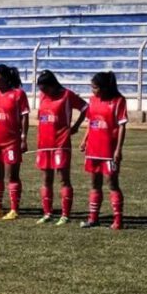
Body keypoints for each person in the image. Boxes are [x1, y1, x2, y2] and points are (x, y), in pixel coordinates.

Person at [34, 70, 87, 225]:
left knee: (63, 179)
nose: (42, 92)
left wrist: (75, 126)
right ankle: (47, 213)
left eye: (45, 88)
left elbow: (85, 108)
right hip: (44, 144)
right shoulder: (42, 96)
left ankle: (65, 215)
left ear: (52, 85)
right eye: (41, 89)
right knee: (46, 179)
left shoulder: (67, 95)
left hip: (61, 143)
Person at [80, 72, 128, 230]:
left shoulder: (118, 101)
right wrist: (84, 140)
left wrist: (118, 149)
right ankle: (93, 218)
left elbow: (122, 126)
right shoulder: (92, 100)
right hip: (93, 149)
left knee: (112, 184)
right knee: (95, 183)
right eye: (91, 87)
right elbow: (91, 122)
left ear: (105, 87)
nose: (92, 90)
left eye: (95, 87)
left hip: (109, 151)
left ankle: (118, 220)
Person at [0, 64, 30, 220]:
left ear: (5, 77)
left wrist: (23, 138)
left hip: (10, 142)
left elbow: (24, 117)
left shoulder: (18, 94)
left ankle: (14, 209)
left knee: (12, 176)